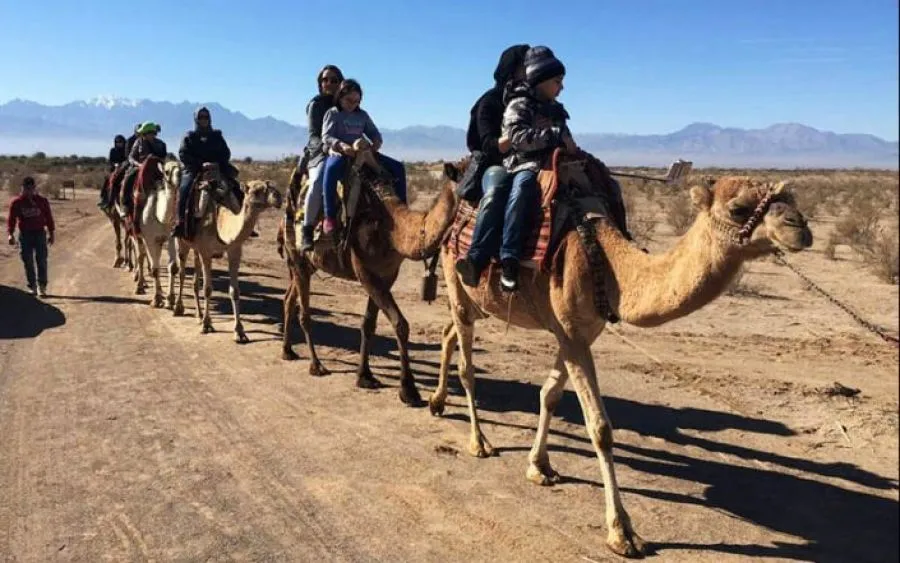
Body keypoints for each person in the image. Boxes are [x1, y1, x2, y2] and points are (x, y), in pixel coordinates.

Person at [497, 46, 576, 292]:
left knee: (603, 183)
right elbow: (517, 137)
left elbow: (567, 139)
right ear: (542, 80)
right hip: (523, 163)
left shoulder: (556, 110)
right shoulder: (518, 104)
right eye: (557, 81)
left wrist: (572, 148)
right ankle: (509, 258)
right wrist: (553, 135)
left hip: (555, 164)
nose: (561, 87)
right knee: (523, 187)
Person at [454, 44, 530, 287]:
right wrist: (517, 138)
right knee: (498, 189)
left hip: (528, 163)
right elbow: (486, 144)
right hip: (495, 164)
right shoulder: (490, 102)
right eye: (524, 66)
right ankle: (476, 260)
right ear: (513, 70)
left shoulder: (532, 100)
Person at [320, 78, 407, 235]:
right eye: (349, 100)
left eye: (356, 101)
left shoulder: (362, 115)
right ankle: (330, 216)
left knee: (398, 167)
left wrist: (377, 141)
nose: (352, 104)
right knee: (331, 169)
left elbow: (373, 132)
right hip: (341, 153)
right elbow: (326, 136)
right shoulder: (333, 114)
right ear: (340, 97)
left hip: (362, 152)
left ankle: (403, 211)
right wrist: (341, 145)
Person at [172, 106, 251, 238]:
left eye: (206, 117)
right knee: (184, 190)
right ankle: (180, 223)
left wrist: (217, 163)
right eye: (201, 117)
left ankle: (244, 221)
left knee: (235, 188)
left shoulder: (217, 136)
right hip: (195, 169)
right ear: (196, 119)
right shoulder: (189, 136)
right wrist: (200, 164)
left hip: (216, 168)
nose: (204, 120)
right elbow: (183, 154)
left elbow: (226, 153)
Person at [297, 64, 344, 250]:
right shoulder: (316, 105)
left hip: (345, 151)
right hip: (320, 152)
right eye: (325, 80)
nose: (329, 83)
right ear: (320, 83)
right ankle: (307, 229)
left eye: (334, 80)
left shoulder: (346, 103)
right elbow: (314, 135)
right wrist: (328, 146)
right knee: (317, 182)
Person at [7, 177, 55, 297]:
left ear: (34, 188)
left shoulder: (42, 201)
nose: (28, 191)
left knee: (41, 259)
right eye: (26, 188)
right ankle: (32, 286)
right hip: (25, 235)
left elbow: (49, 217)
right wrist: (10, 234)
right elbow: (11, 219)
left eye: (31, 188)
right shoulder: (17, 203)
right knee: (27, 260)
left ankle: (42, 286)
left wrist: (51, 233)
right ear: (22, 188)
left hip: (39, 233)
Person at [121, 121, 167, 216]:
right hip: (140, 168)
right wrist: (139, 165)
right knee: (128, 179)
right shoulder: (138, 142)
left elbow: (163, 158)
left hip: (156, 169)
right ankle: (125, 205)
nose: (145, 135)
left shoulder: (161, 144)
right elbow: (131, 157)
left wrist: (160, 163)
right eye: (144, 134)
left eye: (148, 133)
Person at [98, 134, 129, 208]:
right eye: (117, 142)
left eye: (121, 142)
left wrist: (124, 164)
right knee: (108, 179)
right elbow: (110, 161)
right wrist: (115, 165)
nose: (119, 144)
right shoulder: (113, 150)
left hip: (125, 168)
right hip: (114, 168)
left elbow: (128, 159)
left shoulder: (126, 150)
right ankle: (105, 199)